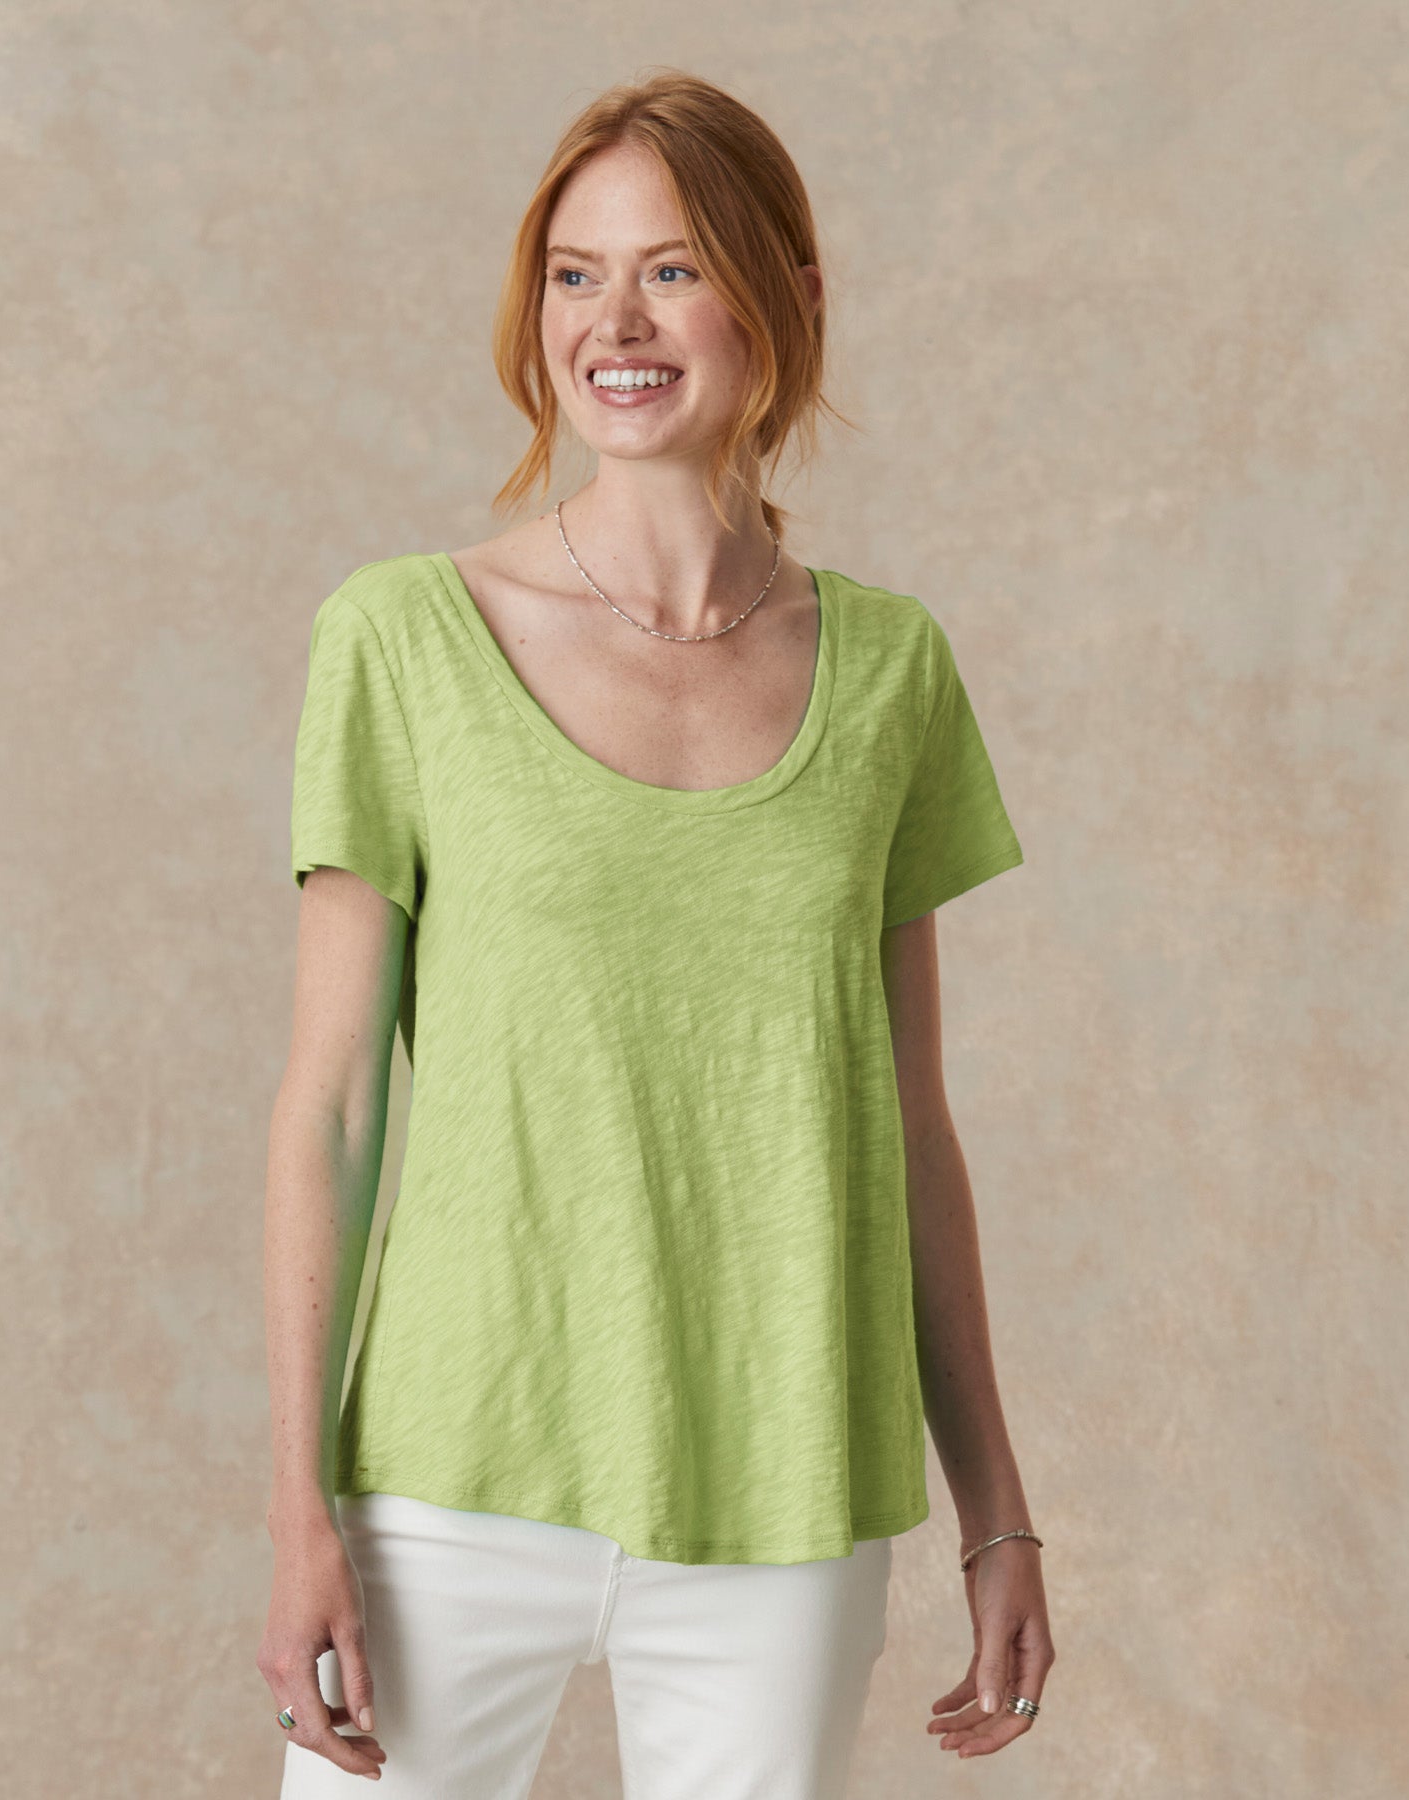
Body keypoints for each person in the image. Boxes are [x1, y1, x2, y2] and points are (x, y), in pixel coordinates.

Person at [257, 69, 1055, 1798]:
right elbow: (331, 1105)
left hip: (785, 1490)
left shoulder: (891, 672)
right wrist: (295, 1504)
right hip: (449, 1474)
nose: (612, 324)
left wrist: (996, 1514)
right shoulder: (402, 640)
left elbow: (911, 1125)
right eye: (574, 273)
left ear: (787, 298)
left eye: (673, 269)